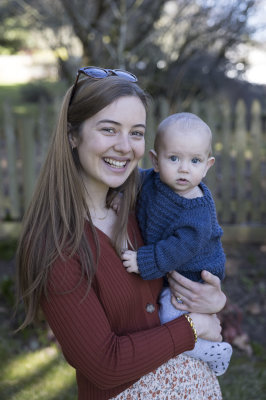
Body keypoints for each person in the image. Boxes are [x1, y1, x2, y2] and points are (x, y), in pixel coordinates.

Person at [16, 66, 226, 400]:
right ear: (73, 135)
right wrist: (193, 327)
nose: (125, 147)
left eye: (136, 133)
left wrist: (213, 300)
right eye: (109, 130)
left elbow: (189, 267)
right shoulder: (55, 246)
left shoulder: (143, 206)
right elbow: (104, 364)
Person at [122, 112, 232, 376]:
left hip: (193, 276)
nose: (184, 168)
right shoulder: (151, 180)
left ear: (207, 165)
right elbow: (131, 179)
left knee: (170, 321)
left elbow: (177, 250)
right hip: (174, 271)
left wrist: (143, 261)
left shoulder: (198, 212)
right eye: (174, 158)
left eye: (195, 160)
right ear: (156, 160)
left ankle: (215, 351)